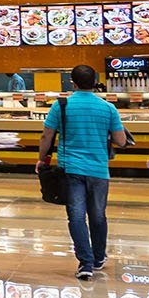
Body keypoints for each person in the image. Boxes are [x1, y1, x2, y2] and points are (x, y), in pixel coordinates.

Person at [35, 64, 128, 281]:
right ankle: (98, 258)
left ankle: (85, 263)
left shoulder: (62, 105)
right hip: (98, 170)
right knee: (97, 215)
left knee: (76, 216)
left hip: (71, 169)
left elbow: (46, 136)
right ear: (95, 82)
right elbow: (121, 141)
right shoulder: (108, 108)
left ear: (72, 82)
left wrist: (42, 159)